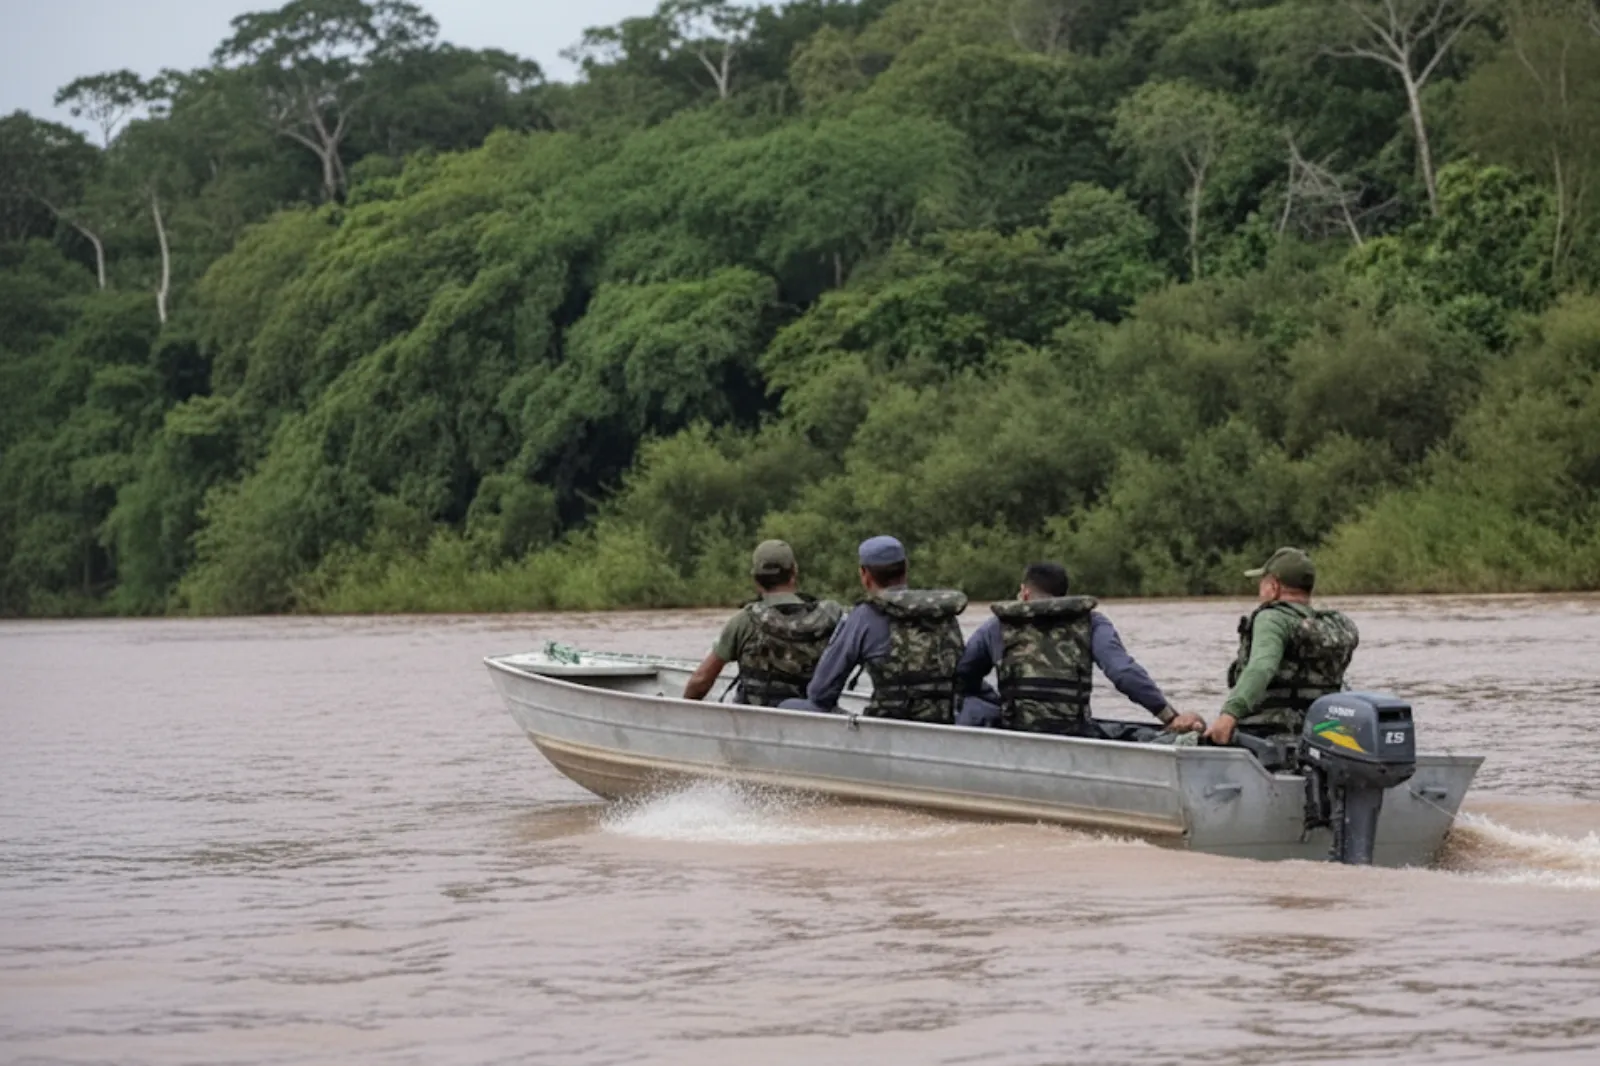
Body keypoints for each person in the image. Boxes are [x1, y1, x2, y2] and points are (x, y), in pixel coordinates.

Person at [955, 562, 1203, 737]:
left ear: (1025, 592)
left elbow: (965, 676)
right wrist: (1169, 717)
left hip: (1016, 731)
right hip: (1075, 732)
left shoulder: (998, 625)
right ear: (1064, 596)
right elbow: (1122, 673)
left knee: (976, 707)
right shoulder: (1091, 622)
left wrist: (997, 702)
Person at [778, 535, 968, 723]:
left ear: (865, 575)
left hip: (884, 731)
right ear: (906, 568)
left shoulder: (865, 616)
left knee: (789, 707)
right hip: (943, 724)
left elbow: (820, 694)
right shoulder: (941, 612)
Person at [1203, 547, 1360, 746]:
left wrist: (1229, 715)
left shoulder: (1272, 618)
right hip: (1319, 731)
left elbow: (1261, 667)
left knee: (1187, 739)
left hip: (1266, 732)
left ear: (1274, 586)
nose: (1259, 588)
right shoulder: (1332, 625)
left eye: (1263, 582)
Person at [682, 540, 845, 706]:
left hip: (756, 719)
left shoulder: (743, 621)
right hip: (810, 717)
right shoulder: (830, 615)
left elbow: (702, 680)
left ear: (756, 579)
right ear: (794, 572)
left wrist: (683, 708)